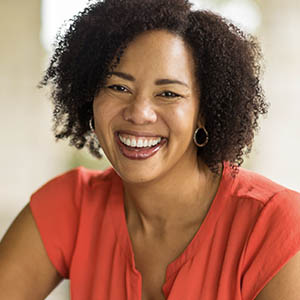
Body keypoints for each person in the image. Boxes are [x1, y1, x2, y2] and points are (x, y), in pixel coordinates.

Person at [0, 0, 300, 299]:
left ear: (204, 112)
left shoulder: (275, 225)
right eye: (118, 87)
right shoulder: (71, 206)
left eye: (168, 93)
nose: (139, 112)